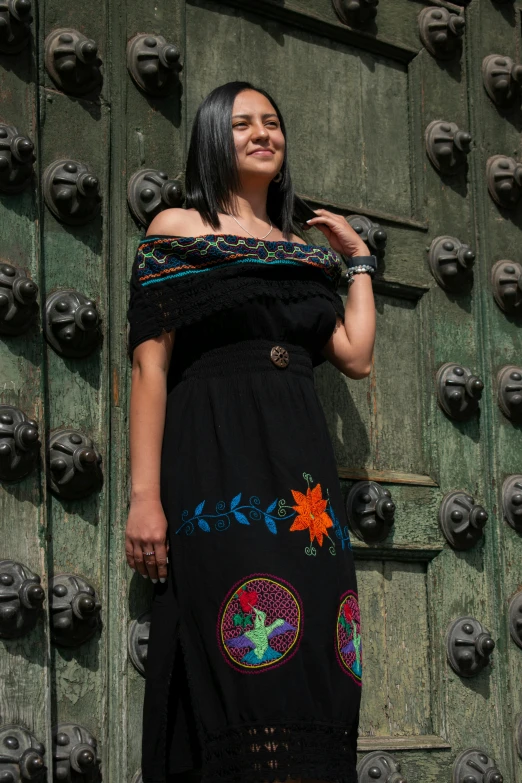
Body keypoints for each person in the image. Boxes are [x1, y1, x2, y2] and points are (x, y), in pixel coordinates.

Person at [125, 80, 376, 783]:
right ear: (212, 137)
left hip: (304, 488)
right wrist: (146, 496)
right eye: (242, 124)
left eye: (272, 121)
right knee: (244, 661)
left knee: (322, 661)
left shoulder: (301, 251)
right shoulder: (176, 230)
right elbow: (150, 368)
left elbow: (355, 353)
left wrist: (355, 259)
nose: (263, 133)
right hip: (219, 465)